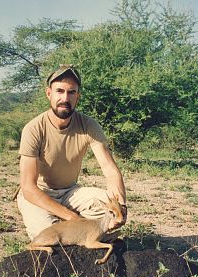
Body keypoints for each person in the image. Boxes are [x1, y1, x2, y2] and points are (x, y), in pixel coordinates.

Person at [17, 64, 127, 239]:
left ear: (78, 97)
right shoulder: (33, 128)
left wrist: (121, 205)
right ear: (49, 94)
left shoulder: (89, 125)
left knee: (111, 214)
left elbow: (110, 170)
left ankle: (80, 231)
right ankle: (73, 228)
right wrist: (71, 217)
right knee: (49, 236)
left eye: (71, 92)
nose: (65, 98)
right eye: (59, 91)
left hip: (71, 192)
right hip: (40, 194)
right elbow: (28, 187)